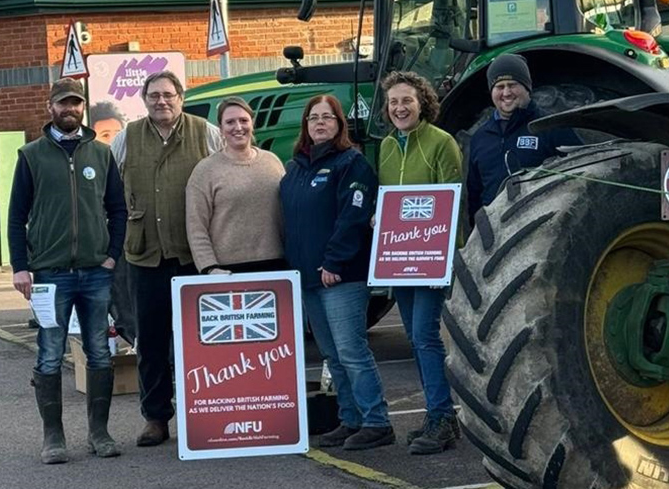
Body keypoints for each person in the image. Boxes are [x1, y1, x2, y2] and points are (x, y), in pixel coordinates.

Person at [8, 77, 128, 464]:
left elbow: (118, 210)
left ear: (83, 107)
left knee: (99, 353)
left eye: (76, 103)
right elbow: (16, 217)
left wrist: (111, 255)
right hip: (48, 274)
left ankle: (99, 432)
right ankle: (53, 437)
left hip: (95, 271)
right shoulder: (31, 155)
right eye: (63, 104)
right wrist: (20, 267)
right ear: (50, 108)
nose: (70, 109)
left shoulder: (102, 154)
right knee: (49, 354)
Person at [110, 70, 223, 447]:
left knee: (198, 340)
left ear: (181, 97)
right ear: (144, 100)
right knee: (152, 342)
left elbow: (225, 177)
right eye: (154, 95)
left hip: (194, 253)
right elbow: (110, 193)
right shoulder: (126, 138)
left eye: (168, 95)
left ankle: (202, 412)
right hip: (145, 256)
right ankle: (156, 418)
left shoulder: (205, 132)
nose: (162, 101)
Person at [279, 95, 394, 451]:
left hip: (340, 276)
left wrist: (334, 263)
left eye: (327, 117)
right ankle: (351, 419)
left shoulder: (352, 164)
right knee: (331, 354)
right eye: (313, 118)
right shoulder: (296, 168)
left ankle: (377, 421)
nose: (320, 123)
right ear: (306, 125)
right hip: (308, 279)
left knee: (351, 351)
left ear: (339, 124)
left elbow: (353, 219)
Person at [376, 71, 462, 454]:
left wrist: (446, 262)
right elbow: (387, 199)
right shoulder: (386, 148)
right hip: (399, 258)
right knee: (415, 337)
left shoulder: (441, 143)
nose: (400, 108)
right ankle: (437, 416)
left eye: (407, 100)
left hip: (431, 260)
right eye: (393, 101)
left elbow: (455, 203)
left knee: (426, 338)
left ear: (422, 102)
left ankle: (442, 417)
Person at [466, 53, 582, 222]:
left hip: (541, 228)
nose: (506, 92)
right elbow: (474, 193)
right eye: (499, 86)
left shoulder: (551, 126)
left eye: (512, 85)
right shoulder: (480, 137)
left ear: (527, 88)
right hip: (494, 230)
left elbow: (581, 174)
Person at [186, 97, 286, 274]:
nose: (238, 127)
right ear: (221, 129)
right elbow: (196, 227)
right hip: (226, 272)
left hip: (276, 266)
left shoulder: (273, 162)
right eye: (230, 122)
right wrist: (210, 267)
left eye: (243, 120)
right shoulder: (205, 171)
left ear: (252, 124)